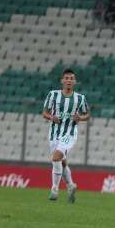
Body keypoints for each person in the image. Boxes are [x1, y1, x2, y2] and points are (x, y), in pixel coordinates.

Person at [42, 69, 90, 202]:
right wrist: (52, 117)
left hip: (69, 133)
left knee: (56, 157)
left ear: (74, 81)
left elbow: (87, 114)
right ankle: (70, 185)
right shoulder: (53, 95)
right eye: (67, 78)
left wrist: (80, 117)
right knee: (62, 162)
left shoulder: (80, 98)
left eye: (71, 78)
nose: (69, 80)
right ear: (62, 81)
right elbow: (44, 113)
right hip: (54, 134)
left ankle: (54, 189)